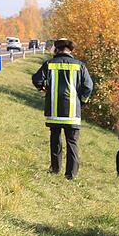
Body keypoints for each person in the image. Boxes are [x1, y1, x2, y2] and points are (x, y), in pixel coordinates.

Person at [31, 39, 94, 180]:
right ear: (70, 50)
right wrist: (81, 102)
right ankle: (70, 175)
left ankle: (55, 169)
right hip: (72, 112)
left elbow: (36, 79)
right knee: (72, 142)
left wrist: (44, 88)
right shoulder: (80, 66)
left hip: (54, 111)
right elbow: (88, 86)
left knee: (55, 140)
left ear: (57, 50)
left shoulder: (49, 64)